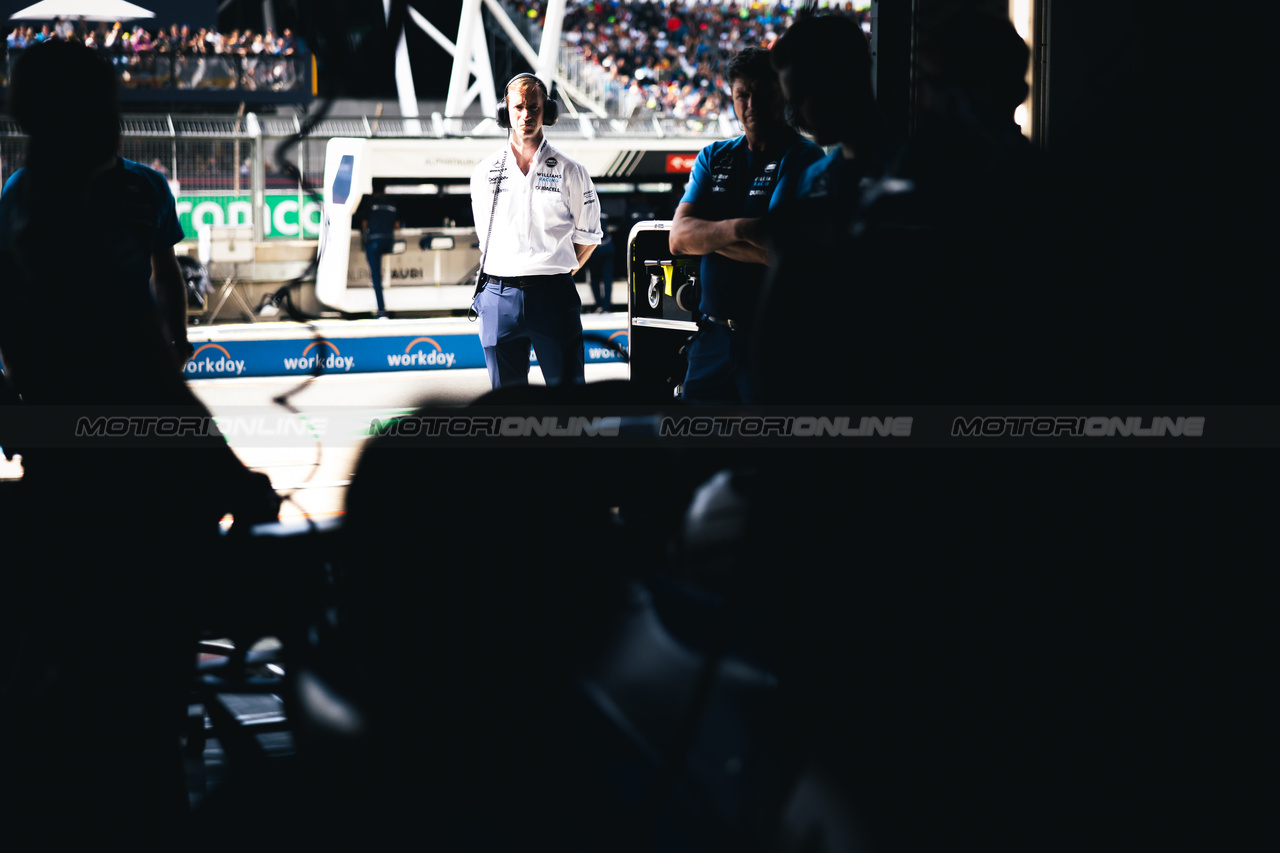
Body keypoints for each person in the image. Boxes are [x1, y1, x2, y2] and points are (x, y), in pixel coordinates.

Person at [0, 40, 279, 850]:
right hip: (129, 506)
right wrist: (234, 477)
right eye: (104, 105)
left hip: (62, 481)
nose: (117, 120)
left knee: (70, 701)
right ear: (71, 118)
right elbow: (152, 387)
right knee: (141, 722)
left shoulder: (20, 211)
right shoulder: (80, 231)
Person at [667, 47, 823, 404]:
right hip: (712, 336)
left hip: (774, 337)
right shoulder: (714, 155)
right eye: (742, 95)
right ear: (732, 97)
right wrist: (740, 228)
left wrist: (707, 234)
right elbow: (678, 239)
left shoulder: (803, 157)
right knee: (694, 448)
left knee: (771, 449)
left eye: (763, 93)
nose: (751, 104)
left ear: (781, 93)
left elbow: (778, 249)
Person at [469, 72, 602, 388]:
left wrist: (555, 277)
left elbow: (589, 237)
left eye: (534, 107)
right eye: (518, 107)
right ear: (506, 112)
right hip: (497, 297)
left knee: (570, 399)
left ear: (548, 112)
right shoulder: (484, 172)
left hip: (553, 296)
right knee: (506, 406)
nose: (525, 115)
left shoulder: (571, 170)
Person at [360, 194, 399, 318]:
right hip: (389, 242)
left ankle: (381, 309)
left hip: (374, 242)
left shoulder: (370, 203)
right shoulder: (392, 203)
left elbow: (364, 224)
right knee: (382, 274)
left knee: (376, 276)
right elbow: (397, 225)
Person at [585, 210, 615, 312]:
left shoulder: (586, 211)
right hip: (607, 246)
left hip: (593, 249)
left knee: (594, 278)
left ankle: (599, 304)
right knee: (607, 278)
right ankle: (606, 306)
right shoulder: (605, 212)